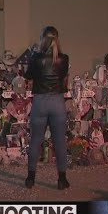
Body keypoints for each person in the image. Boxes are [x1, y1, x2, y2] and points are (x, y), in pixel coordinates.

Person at [23, 26, 70, 189]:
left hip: (40, 101)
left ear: (42, 39)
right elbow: (62, 76)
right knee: (60, 142)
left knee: (36, 140)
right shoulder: (64, 59)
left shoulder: (36, 58)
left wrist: (34, 55)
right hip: (57, 101)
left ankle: (30, 179)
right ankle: (62, 179)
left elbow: (28, 75)